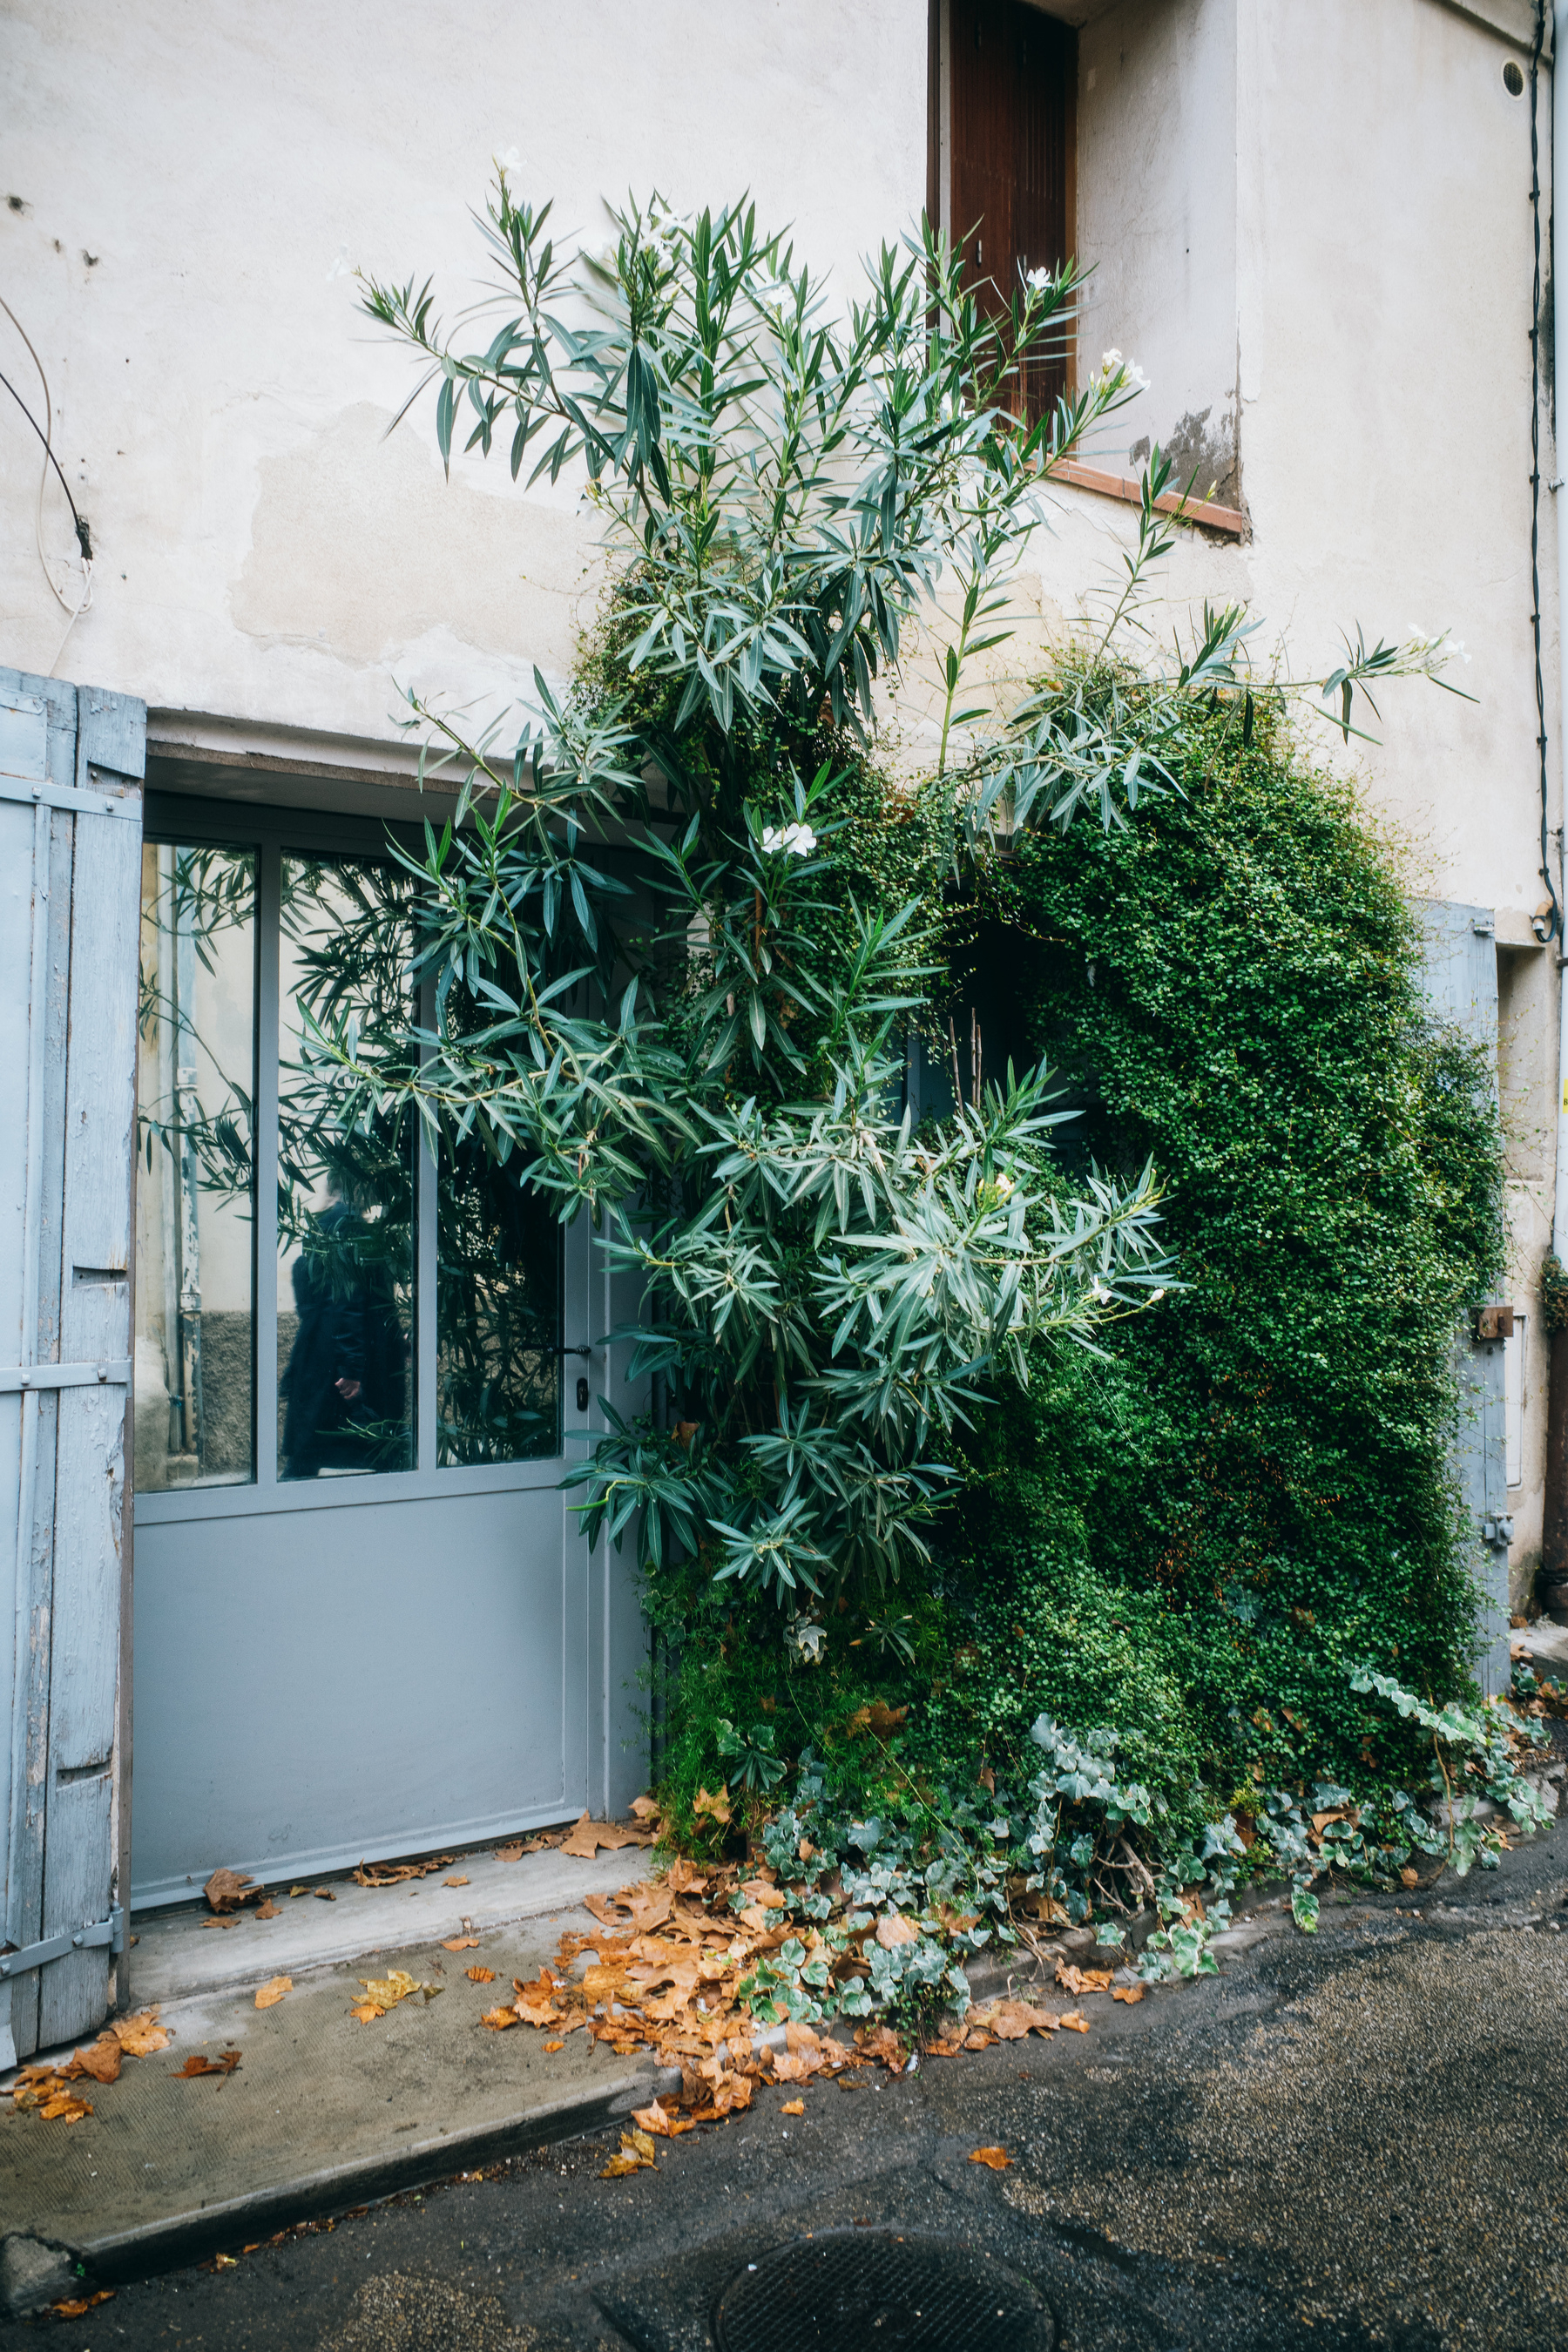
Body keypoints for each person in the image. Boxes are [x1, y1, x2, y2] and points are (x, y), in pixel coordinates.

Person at [280, 1177, 409, 1477]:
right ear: (359, 1183)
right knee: (382, 1450)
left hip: (320, 1359)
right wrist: (352, 1370)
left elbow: (312, 1297)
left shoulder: (320, 1227)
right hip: (350, 1365)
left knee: (309, 1453)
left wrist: (395, 1340)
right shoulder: (349, 1225)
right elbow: (348, 1301)